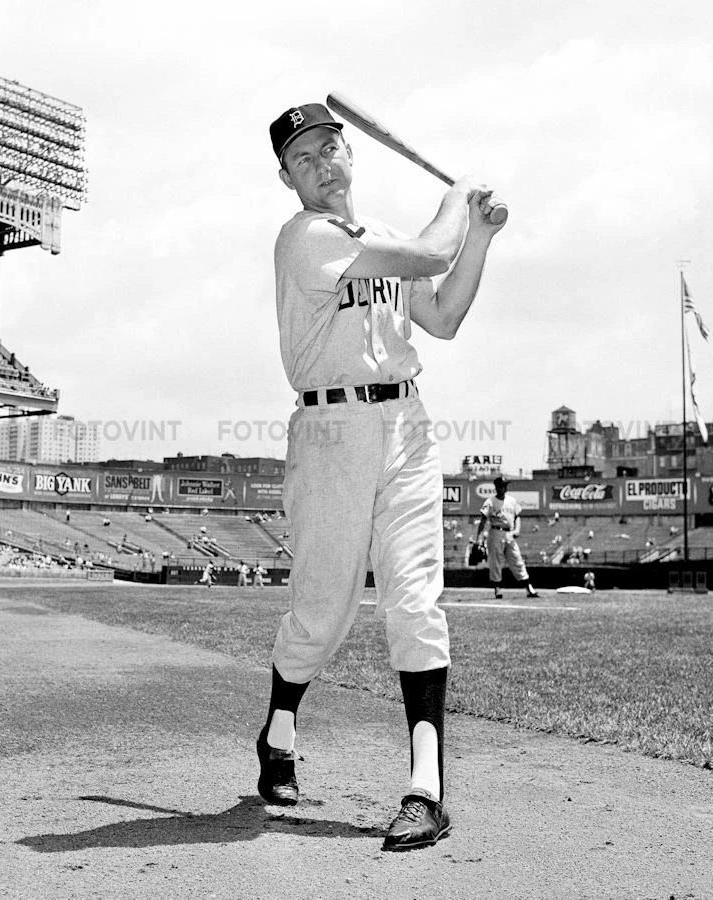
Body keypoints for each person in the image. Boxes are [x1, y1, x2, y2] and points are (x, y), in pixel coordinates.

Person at [258, 100, 506, 853]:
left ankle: (426, 790)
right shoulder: (304, 238)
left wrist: (480, 237)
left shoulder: (386, 238)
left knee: (414, 599)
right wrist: (457, 201)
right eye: (303, 159)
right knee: (321, 609)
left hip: (406, 423)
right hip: (330, 428)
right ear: (287, 178)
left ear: (350, 154)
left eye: (329, 148)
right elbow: (431, 253)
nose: (322, 164)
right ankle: (278, 730)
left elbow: (444, 316)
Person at [476, 476, 539, 600]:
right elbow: (483, 519)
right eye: (502, 485)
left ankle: (529, 589)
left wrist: (517, 529)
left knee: (517, 559)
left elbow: (517, 517)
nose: (504, 487)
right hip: (496, 531)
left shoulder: (512, 500)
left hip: (509, 533)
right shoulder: (490, 502)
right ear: (497, 487)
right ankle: (497, 590)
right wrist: (479, 536)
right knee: (496, 562)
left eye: (505, 485)